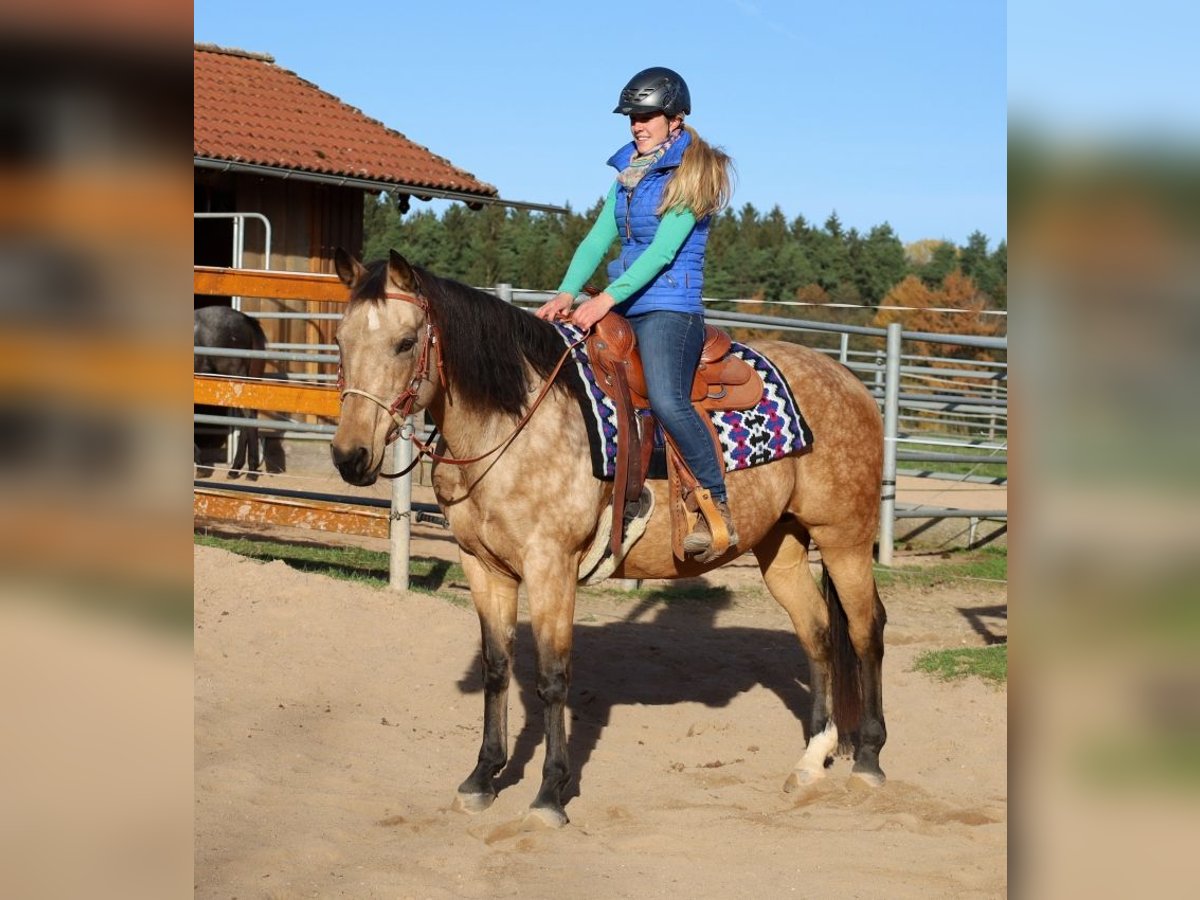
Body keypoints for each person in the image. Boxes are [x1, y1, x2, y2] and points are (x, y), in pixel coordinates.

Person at [535, 66, 737, 560]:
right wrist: (566, 293)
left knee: (668, 400)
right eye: (632, 117)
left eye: (647, 116)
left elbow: (663, 251)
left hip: (670, 306)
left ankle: (717, 504)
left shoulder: (696, 171)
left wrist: (602, 299)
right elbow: (597, 237)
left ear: (676, 118)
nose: (637, 125)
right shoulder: (629, 170)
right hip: (623, 300)